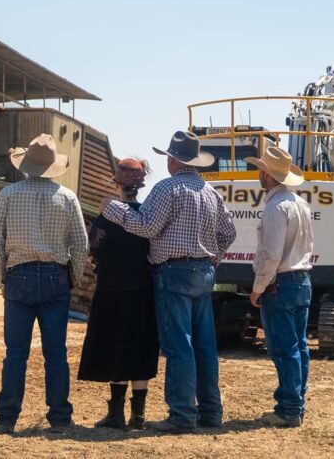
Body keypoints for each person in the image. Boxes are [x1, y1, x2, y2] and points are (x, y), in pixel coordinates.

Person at [101, 131, 236, 433]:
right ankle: (210, 412)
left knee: (179, 346)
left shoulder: (167, 188)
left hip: (173, 272)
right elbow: (229, 234)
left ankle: (182, 415)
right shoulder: (210, 192)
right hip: (203, 272)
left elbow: (146, 226)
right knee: (204, 345)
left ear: (174, 159)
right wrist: (212, 259)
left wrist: (112, 208)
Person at [0, 133, 90, 435]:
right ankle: (59, 418)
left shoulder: (8, 194)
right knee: (55, 353)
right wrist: (73, 276)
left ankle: (6, 419)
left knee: (15, 352)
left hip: (19, 275)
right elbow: (81, 245)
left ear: (25, 164)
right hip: (56, 276)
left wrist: (1, 276)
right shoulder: (68, 197)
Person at [78, 157, 159, 430]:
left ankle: (116, 414)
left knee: (115, 348)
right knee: (139, 348)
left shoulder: (107, 216)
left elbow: (93, 251)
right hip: (143, 290)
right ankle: (139, 415)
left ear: (117, 184)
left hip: (111, 288)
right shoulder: (147, 215)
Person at [245, 146, 314, 428]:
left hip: (280, 283)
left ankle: (288, 408)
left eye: (262, 170)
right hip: (302, 280)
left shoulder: (275, 207)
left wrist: (258, 287)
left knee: (284, 348)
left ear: (267, 175)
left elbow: (271, 254)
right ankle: (296, 402)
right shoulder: (302, 204)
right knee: (299, 347)